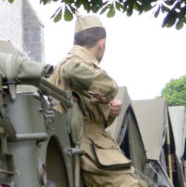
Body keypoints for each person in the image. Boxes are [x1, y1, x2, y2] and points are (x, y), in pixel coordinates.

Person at [49, 14, 143, 187]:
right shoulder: (74, 62)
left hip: (82, 143)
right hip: (89, 143)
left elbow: (85, 110)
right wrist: (111, 87)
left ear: (75, 41)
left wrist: (108, 110)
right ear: (102, 43)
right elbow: (71, 70)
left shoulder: (68, 65)